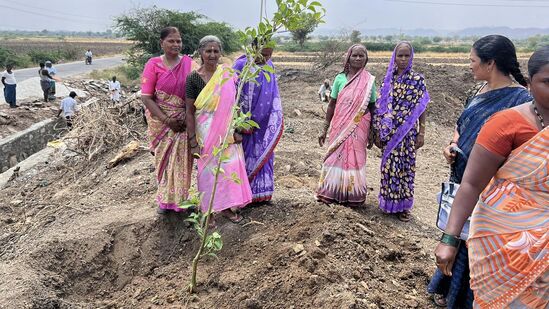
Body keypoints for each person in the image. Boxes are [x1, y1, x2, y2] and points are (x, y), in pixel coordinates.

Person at [434, 46, 549, 309]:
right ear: (530, 83)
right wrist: (450, 239)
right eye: (548, 82)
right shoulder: (506, 124)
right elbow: (472, 184)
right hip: (506, 238)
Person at [185, 35, 252, 222]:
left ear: (220, 52)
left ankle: (227, 208)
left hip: (227, 132)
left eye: (216, 51)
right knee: (207, 171)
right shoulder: (193, 79)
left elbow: (234, 105)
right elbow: (189, 112)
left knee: (228, 169)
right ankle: (208, 212)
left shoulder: (228, 75)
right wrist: (192, 142)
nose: (212, 55)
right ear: (201, 52)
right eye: (208, 51)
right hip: (205, 132)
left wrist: (237, 130)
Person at [373, 42, 430, 222]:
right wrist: (377, 131)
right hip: (389, 134)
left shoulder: (418, 80)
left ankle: (403, 207)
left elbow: (422, 108)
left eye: (407, 56)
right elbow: (380, 107)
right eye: (400, 56)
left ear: (411, 57)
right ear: (394, 57)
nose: (403, 59)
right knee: (389, 168)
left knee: (405, 168)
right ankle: (389, 203)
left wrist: (422, 133)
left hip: (407, 134)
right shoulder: (387, 80)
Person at [141, 26, 193, 214]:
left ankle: (182, 200)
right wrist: (166, 120)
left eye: (178, 41)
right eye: (171, 40)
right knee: (164, 159)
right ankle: (164, 200)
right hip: (161, 122)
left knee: (182, 161)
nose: (176, 44)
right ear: (161, 43)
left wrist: (188, 116)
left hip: (183, 121)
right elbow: (146, 97)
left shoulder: (188, 63)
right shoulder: (153, 64)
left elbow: (194, 92)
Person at [316, 44, 377, 206]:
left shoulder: (369, 81)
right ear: (348, 57)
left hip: (360, 126)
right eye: (354, 55)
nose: (357, 58)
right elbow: (332, 104)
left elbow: (372, 106)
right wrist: (324, 128)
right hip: (339, 125)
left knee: (356, 158)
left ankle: (353, 195)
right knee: (335, 156)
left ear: (366, 59)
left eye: (361, 56)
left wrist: (373, 131)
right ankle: (330, 192)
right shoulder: (339, 79)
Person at [233, 43, 283, 204]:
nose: (265, 59)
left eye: (269, 55)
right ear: (254, 50)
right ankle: (244, 195)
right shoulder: (241, 65)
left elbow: (273, 93)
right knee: (243, 156)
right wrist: (239, 121)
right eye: (262, 55)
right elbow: (233, 93)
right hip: (244, 122)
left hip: (264, 122)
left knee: (264, 154)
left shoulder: (270, 66)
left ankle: (262, 194)